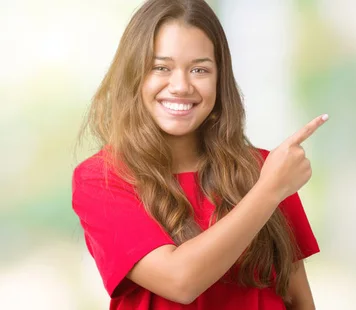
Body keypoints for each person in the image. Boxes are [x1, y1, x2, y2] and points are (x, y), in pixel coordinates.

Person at [71, 0, 328, 309]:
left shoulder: (265, 169)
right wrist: (269, 190)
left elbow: (297, 297)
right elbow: (180, 281)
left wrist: (269, 183)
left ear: (220, 79)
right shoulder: (102, 178)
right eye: (161, 67)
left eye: (199, 69)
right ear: (133, 75)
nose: (181, 86)